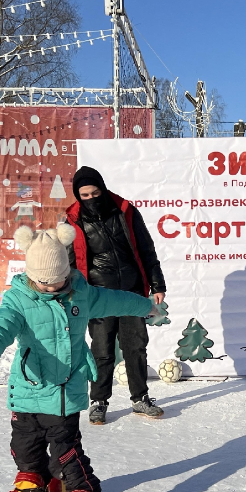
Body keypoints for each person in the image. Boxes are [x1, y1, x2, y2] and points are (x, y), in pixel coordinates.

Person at [0, 224, 154, 492]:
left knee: (65, 451)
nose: (54, 286)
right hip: (28, 388)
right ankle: (33, 481)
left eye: (59, 280)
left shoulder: (80, 294)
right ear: (31, 276)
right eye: (45, 282)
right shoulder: (18, 300)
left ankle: (82, 489)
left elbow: (115, 299)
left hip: (66, 391)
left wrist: (145, 306)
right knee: (23, 445)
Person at [66, 166, 167, 424]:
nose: (90, 198)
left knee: (135, 346)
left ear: (103, 188)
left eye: (95, 192)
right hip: (97, 295)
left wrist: (157, 284)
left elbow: (146, 248)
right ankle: (98, 401)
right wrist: (69, 293)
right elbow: (68, 261)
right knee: (102, 349)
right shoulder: (72, 222)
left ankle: (140, 398)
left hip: (131, 291)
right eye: (84, 195)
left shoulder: (126, 212)